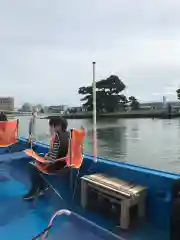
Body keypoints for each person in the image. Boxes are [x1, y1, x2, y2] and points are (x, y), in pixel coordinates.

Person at [23, 117, 69, 200]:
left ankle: (35, 190)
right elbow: (59, 152)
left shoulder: (57, 137)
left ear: (58, 126)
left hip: (55, 166)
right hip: (66, 165)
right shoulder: (69, 135)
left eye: (51, 126)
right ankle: (42, 188)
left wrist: (44, 159)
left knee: (32, 165)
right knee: (38, 162)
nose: (50, 128)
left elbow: (53, 157)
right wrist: (46, 156)